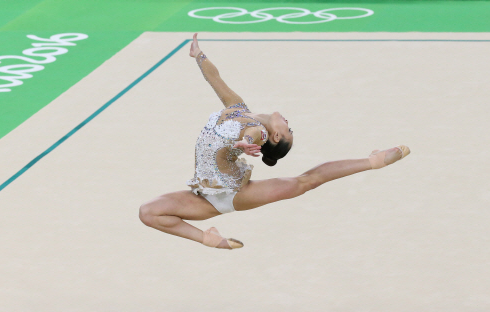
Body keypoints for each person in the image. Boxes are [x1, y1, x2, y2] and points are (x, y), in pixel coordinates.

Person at [139, 33, 410, 250]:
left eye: (288, 130)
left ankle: (374, 161)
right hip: (204, 197)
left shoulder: (258, 130)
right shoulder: (237, 107)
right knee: (148, 212)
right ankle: (209, 238)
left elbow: (254, 135)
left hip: (234, 194)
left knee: (305, 182)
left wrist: (244, 143)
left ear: (276, 136)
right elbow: (215, 78)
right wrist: (199, 55)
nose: (288, 123)